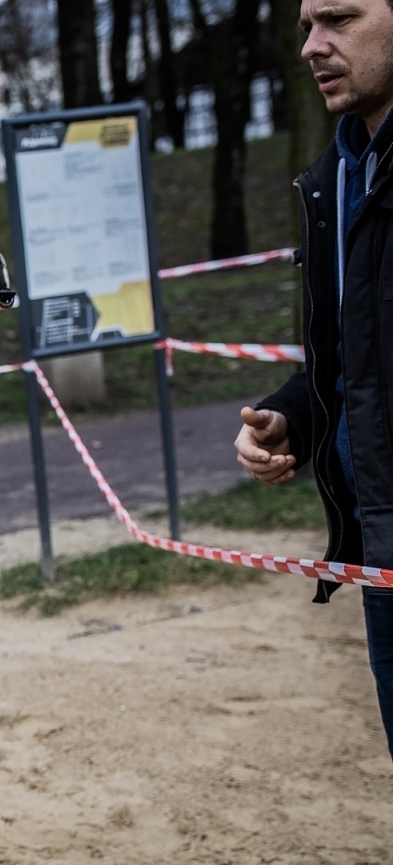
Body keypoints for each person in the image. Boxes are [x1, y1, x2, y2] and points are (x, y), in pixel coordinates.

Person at [232, 0, 393, 759]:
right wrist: (292, 413)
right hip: (379, 541)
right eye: (304, 26)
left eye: (339, 19)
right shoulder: (333, 175)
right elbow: (354, 352)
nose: (312, 46)